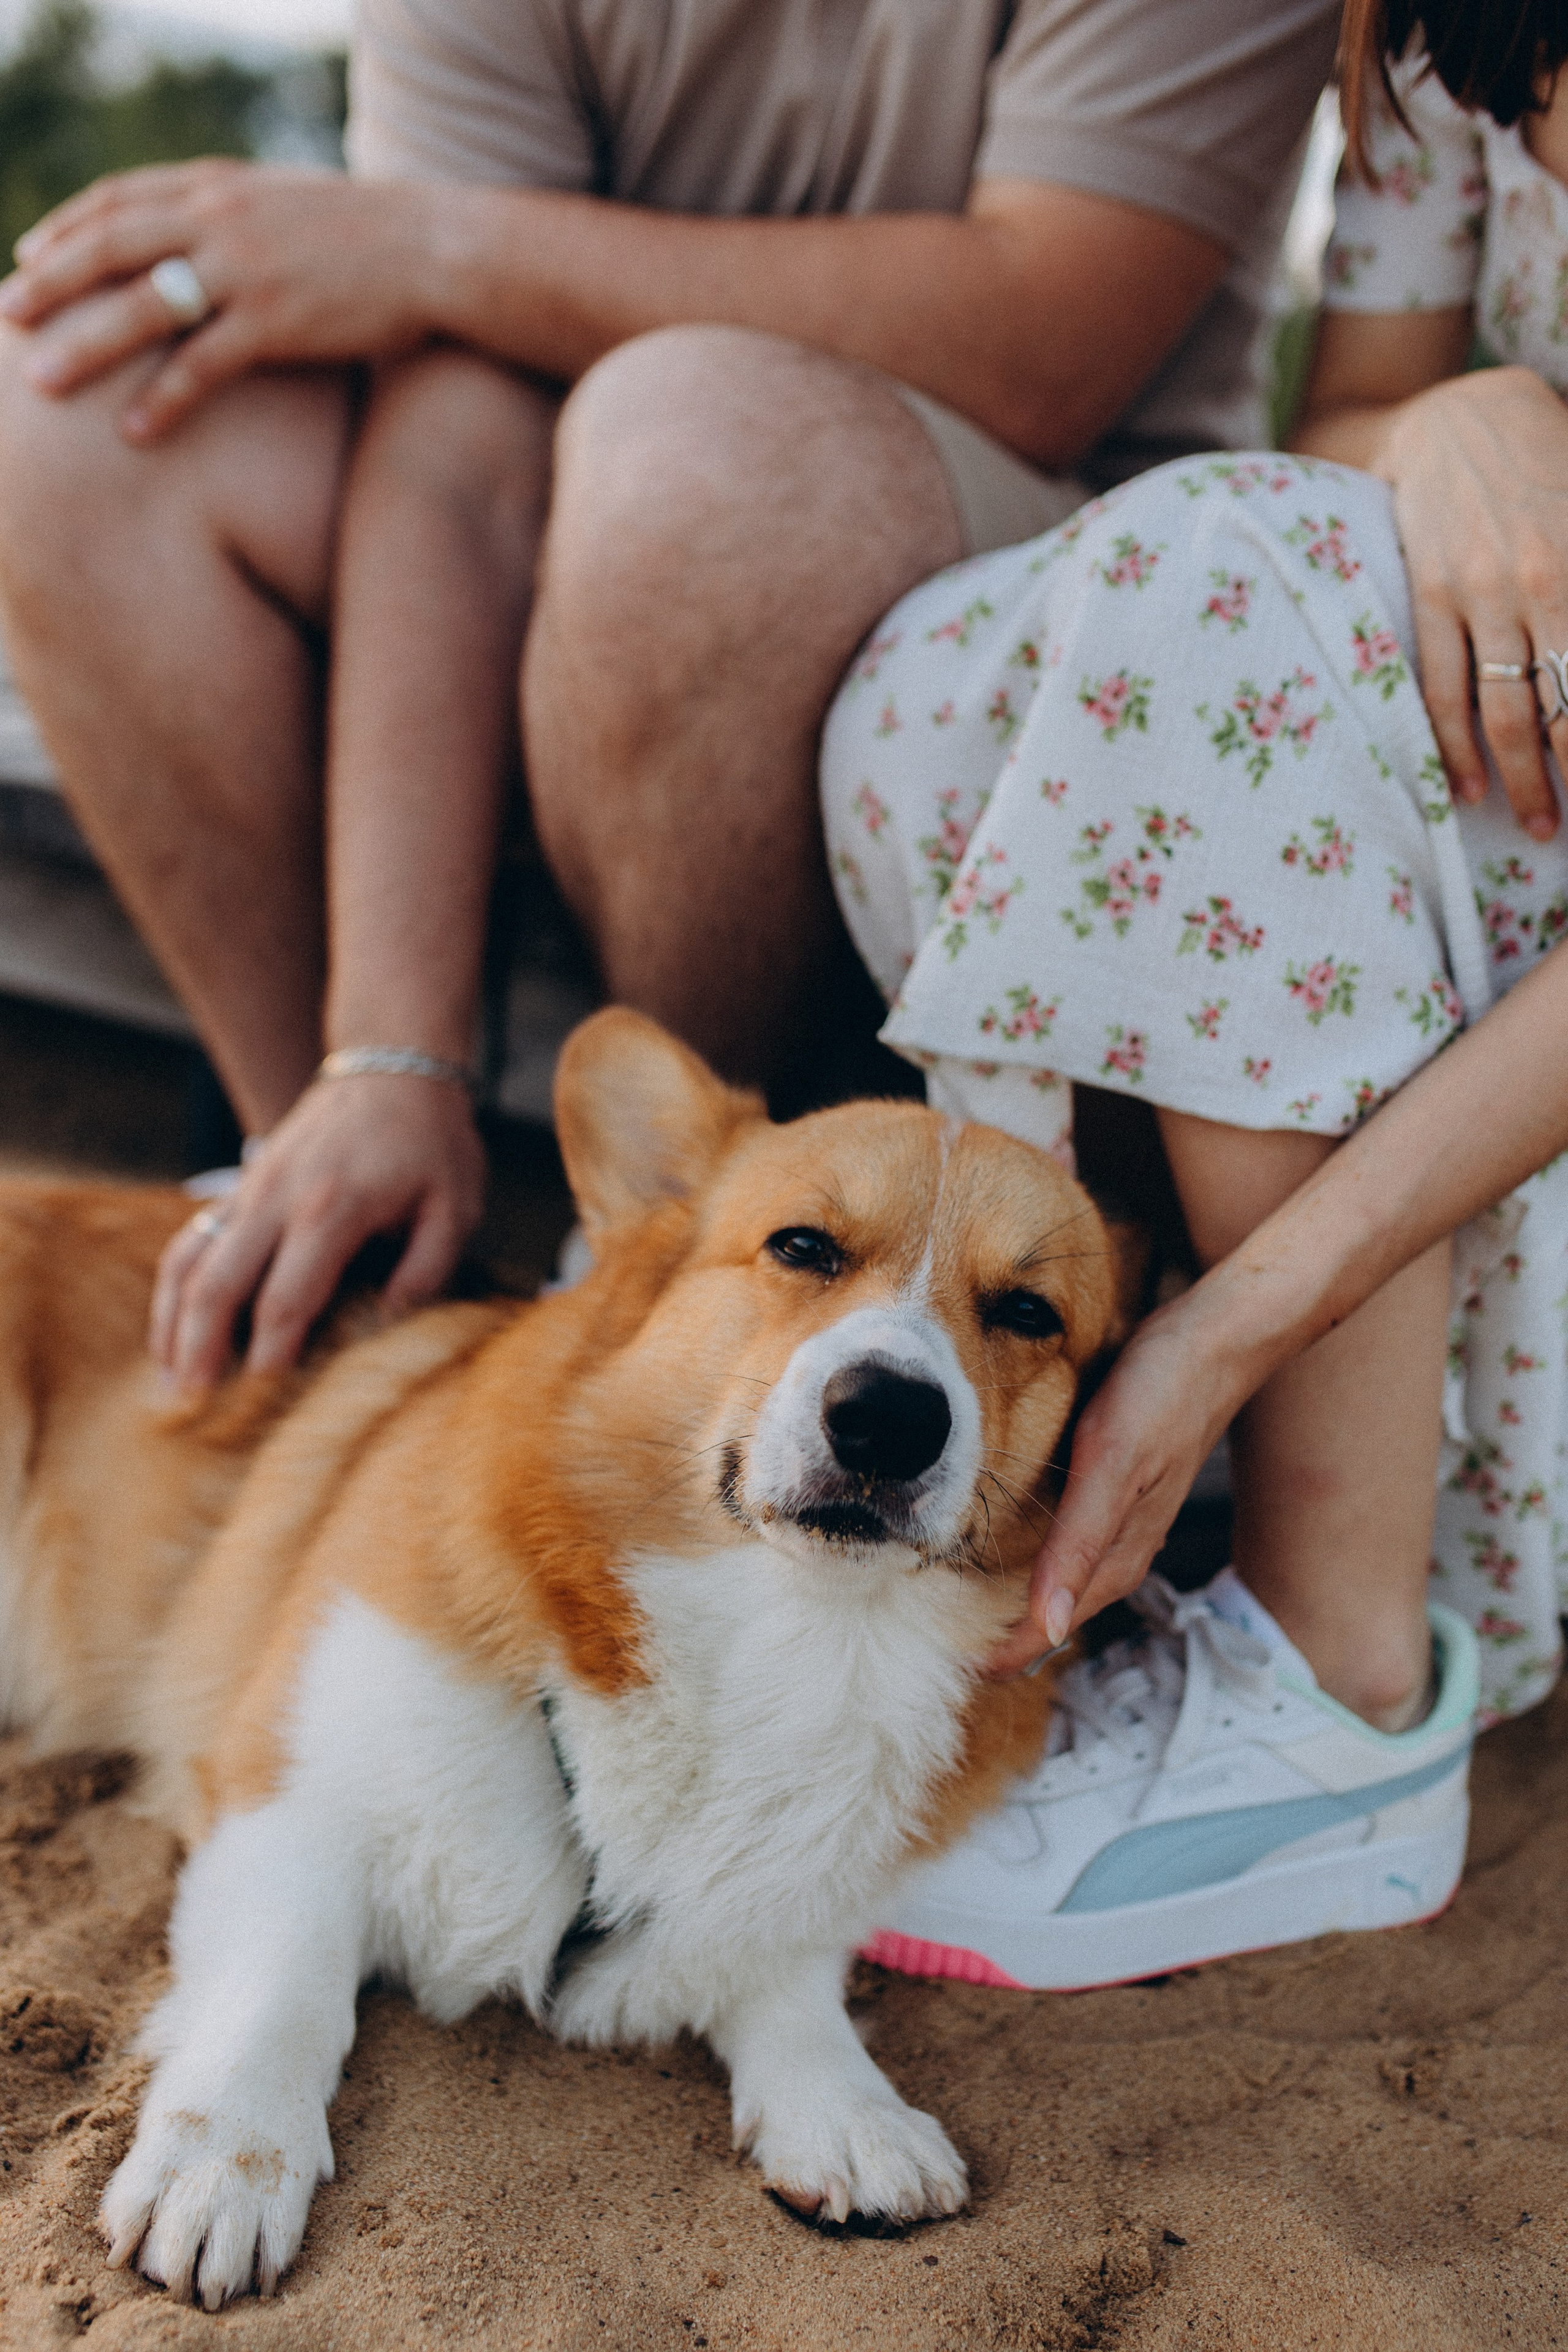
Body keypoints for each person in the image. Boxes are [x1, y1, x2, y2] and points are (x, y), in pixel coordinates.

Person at [0, 0, 1336, 1392]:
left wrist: (446, 245)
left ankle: (685, 1254)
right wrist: (389, 1056)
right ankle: (346, 1235)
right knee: (70, 393)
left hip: (1021, 615)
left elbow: (1040, 342)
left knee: (693, 456)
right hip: (581, 569)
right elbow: (455, 431)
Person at [821, 0, 1568, 1986]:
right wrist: (1460, 422)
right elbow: (1342, 440)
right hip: (1531, 744)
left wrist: (1242, 1316)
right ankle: (1020, 1468)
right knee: (936, 685)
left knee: (1230, 587)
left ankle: (1343, 1687)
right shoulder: (1459, 27)